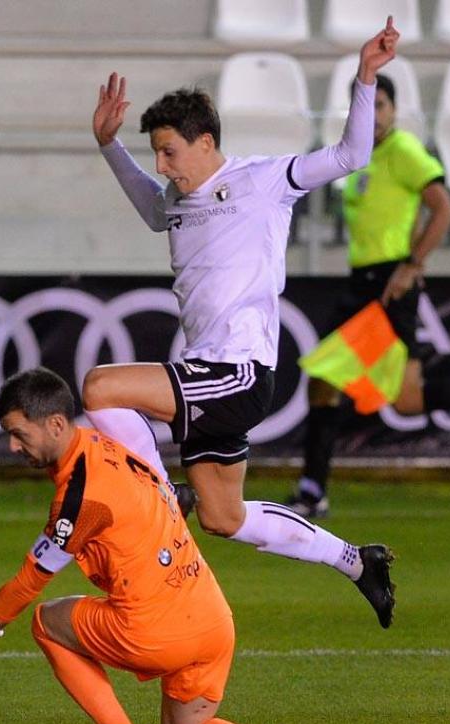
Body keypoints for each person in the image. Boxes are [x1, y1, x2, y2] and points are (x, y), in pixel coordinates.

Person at [82, 20, 399, 627]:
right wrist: (109, 146)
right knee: (223, 518)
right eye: (156, 153)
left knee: (101, 387)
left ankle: (154, 492)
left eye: (170, 151)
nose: (164, 165)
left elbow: (351, 155)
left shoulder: (261, 181)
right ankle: (359, 561)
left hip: (236, 368)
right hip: (215, 372)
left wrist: (365, 75)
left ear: (206, 142)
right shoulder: (176, 199)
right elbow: (154, 209)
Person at [0, 368, 352, 724]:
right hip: (212, 620)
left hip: (154, 632)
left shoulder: (79, 498)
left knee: (46, 621)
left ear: (55, 424)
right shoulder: (107, 445)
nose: (13, 446)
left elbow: (30, 580)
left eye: (19, 434)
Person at [285, 73, 450, 519]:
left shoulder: (404, 151)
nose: (374, 116)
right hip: (365, 283)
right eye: (365, 107)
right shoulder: (356, 158)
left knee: (325, 381)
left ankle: (313, 490)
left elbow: (443, 207)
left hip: (387, 286)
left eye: (382, 106)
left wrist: (412, 266)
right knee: (404, 399)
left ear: (394, 111)